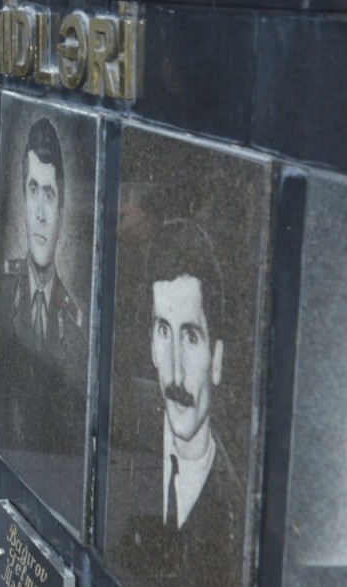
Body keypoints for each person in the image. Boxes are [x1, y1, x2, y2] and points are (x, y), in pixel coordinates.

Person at [145, 219, 242, 575]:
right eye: (163, 331)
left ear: (216, 360)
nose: (175, 373)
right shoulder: (120, 446)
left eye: (190, 337)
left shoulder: (236, 513)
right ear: (151, 346)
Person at [0, 117, 87, 452]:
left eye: (49, 195)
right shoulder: (2, 291)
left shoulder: (75, 329)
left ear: (61, 213)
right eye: (33, 190)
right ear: (22, 200)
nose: (40, 214)